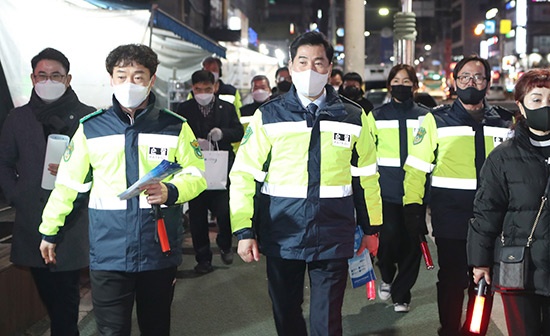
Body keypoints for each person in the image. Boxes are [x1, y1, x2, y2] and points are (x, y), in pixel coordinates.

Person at [38, 44, 206, 336]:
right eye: (121, 76)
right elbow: (68, 183)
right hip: (109, 250)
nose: (130, 83)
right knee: (111, 331)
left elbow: (197, 175)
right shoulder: (91, 128)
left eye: (138, 76)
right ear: (111, 79)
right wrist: (49, 231)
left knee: (156, 328)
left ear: (152, 80)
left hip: (158, 249)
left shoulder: (175, 127)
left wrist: (171, 190)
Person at [229, 31, 382, 336]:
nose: (310, 70)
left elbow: (367, 176)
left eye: (319, 63)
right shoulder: (269, 115)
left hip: (333, 232)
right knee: (286, 313)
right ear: (290, 65)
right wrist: (244, 230)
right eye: (303, 62)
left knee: (327, 319)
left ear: (329, 68)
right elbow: (243, 174)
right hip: (283, 231)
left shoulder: (353, 116)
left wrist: (372, 228)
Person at [467, 68, 550, 336]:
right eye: (536, 99)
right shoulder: (502, 157)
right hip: (519, 271)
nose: (546, 105)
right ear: (520, 105)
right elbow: (486, 212)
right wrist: (480, 262)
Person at [403, 55, 513, 336]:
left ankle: (474, 331)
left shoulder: (505, 121)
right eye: (464, 77)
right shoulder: (435, 119)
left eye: (478, 77)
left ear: (488, 83)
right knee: (452, 279)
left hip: (494, 217)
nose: (471, 82)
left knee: (484, 278)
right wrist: (413, 208)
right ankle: (449, 330)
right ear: (455, 82)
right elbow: (416, 169)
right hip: (451, 215)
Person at [0, 47, 94, 336]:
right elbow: (4, 163)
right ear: (32, 78)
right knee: (49, 293)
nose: (48, 80)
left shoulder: (87, 117)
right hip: (31, 219)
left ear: (67, 79)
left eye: (56, 75)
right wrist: (16, 194)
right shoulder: (18, 118)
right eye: (43, 75)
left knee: (65, 295)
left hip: (72, 220)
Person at [367, 64, 430, 312]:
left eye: (407, 81)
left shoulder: (427, 116)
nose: (401, 85)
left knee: (412, 244)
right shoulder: (377, 115)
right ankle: (387, 276)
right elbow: (367, 153)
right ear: (389, 85)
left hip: (416, 192)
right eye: (396, 80)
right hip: (387, 191)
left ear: (414, 86)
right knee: (389, 240)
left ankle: (402, 294)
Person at [176, 70, 243, 274]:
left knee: (224, 212)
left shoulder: (227, 108)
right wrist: (194, 143)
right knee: (197, 216)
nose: (202, 93)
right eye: (198, 89)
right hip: (196, 169)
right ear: (192, 89)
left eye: (207, 89)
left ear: (215, 87)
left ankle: (224, 243)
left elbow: (239, 131)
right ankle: (203, 258)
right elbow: (176, 133)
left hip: (221, 168)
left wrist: (223, 134)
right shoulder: (184, 108)